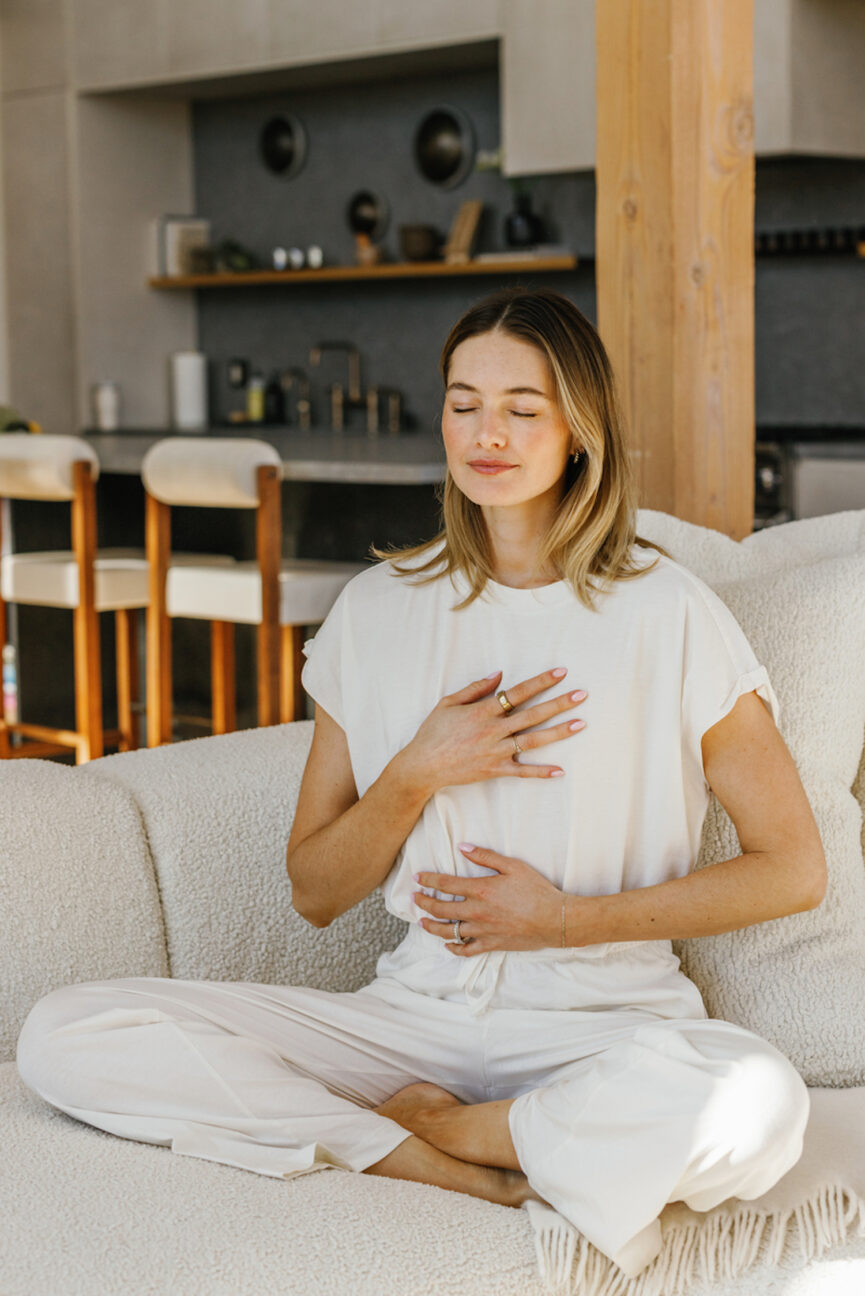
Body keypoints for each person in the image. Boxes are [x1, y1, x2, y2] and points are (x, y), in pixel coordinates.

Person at [16, 288, 826, 1278]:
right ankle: (424, 1157)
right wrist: (415, 772)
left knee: (760, 1105)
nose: (488, 433)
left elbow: (791, 868)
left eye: (523, 408)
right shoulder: (378, 611)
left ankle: (469, 1131)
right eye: (463, 402)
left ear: (579, 431)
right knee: (66, 1033)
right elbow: (316, 891)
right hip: (413, 1018)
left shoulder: (668, 614)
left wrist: (561, 921)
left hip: (606, 1027)